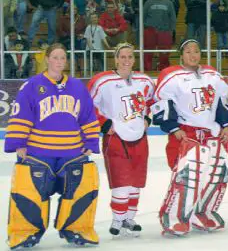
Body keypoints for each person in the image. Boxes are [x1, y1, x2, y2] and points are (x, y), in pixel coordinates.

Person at [4, 43, 101, 249]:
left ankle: (77, 229)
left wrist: (91, 141)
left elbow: (88, 118)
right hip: (39, 152)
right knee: (30, 193)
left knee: (79, 191)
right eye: (55, 57)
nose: (59, 61)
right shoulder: (31, 85)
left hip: (72, 153)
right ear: (47, 59)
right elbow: (21, 114)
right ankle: (24, 233)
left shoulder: (77, 87)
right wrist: (19, 143)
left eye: (63, 58)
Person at [152, 39, 228, 236]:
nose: (193, 55)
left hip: (211, 133)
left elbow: (221, 102)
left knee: (218, 172)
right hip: (187, 133)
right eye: (188, 51)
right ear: (181, 55)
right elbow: (163, 103)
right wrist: (173, 128)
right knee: (188, 175)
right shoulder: (172, 76)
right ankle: (174, 217)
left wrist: (226, 125)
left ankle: (203, 212)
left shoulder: (212, 75)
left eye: (196, 51)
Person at [88, 43, 155, 236]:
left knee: (135, 182)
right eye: (122, 57)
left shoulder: (144, 80)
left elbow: (152, 102)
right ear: (116, 59)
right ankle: (117, 219)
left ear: (134, 59)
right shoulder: (102, 81)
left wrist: (147, 119)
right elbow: (87, 105)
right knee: (121, 182)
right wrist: (104, 123)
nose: (126, 60)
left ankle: (129, 218)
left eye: (130, 57)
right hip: (116, 138)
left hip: (139, 137)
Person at [143, 0, 176, 71]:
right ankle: (147, 70)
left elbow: (173, 18)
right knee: (148, 52)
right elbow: (143, 17)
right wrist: (147, 27)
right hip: (150, 31)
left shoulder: (168, 3)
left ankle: (163, 69)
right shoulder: (148, 2)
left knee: (164, 53)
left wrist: (171, 31)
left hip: (164, 31)